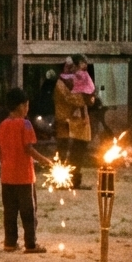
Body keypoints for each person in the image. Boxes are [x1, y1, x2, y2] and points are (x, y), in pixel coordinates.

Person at [0, 88, 54, 252]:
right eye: (27, 105)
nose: (27, 108)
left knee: (10, 212)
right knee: (28, 212)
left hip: (7, 177)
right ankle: (31, 244)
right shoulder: (26, 124)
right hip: (24, 177)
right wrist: (44, 160)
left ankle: (10, 242)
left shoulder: (3, 125)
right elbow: (28, 148)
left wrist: (5, 163)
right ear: (22, 106)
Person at [52, 58, 91, 189]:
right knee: (63, 152)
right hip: (64, 121)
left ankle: (75, 181)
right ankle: (60, 181)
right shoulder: (61, 84)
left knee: (78, 153)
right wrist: (86, 97)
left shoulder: (77, 82)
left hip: (79, 123)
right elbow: (72, 98)